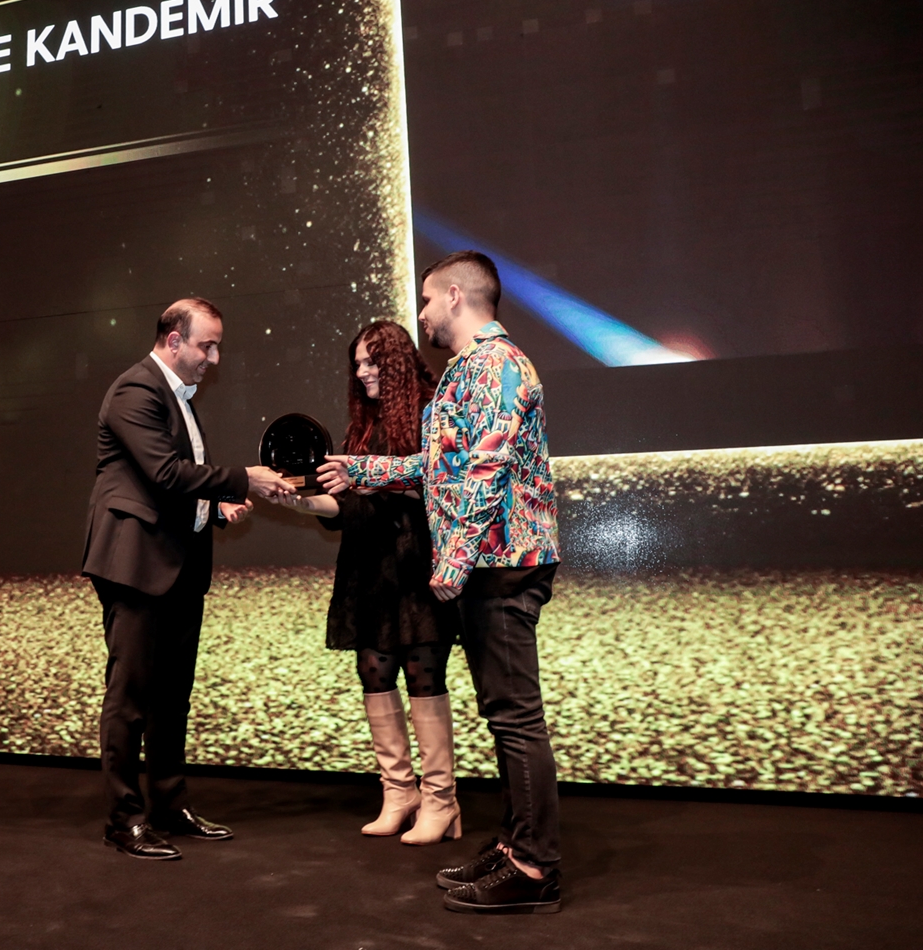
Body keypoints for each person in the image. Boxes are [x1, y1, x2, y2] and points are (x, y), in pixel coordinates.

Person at [319, 251, 563, 914]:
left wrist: (452, 560)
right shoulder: (471, 367)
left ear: (455, 295)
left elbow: (483, 470)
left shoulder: (496, 365)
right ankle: (513, 846)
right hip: (491, 562)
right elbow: (442, 464)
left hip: (502, 563)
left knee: (516, 718)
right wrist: (362, 470)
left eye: (427, 300)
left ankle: (535, 867)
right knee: (503, 716)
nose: (422, 313)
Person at [83, 297, 293, 860]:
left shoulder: (176, 395)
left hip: (176, 563)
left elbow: (172, 484)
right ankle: (123, 820)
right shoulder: (135, 389)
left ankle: (169, 807)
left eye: (216, 346)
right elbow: (165, 472)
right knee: (130, 697)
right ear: (173, 340)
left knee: (172, 696)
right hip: (136, 564)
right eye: (207, 345)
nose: (214, 358)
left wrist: (214, 508)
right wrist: (243, 480)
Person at [266, 320, 461, 844]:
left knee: (423, 674)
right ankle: (399, 793)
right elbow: (347, 507)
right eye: (356, 364)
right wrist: (299, 501)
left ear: (395, 362)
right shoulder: (363, 425)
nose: (362, 372)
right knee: (375, 671)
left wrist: (378, 477)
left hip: (418, 566)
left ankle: (441, 801)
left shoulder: (434, 410)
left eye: (371, 362)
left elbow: (445, 485)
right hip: (370, 569)